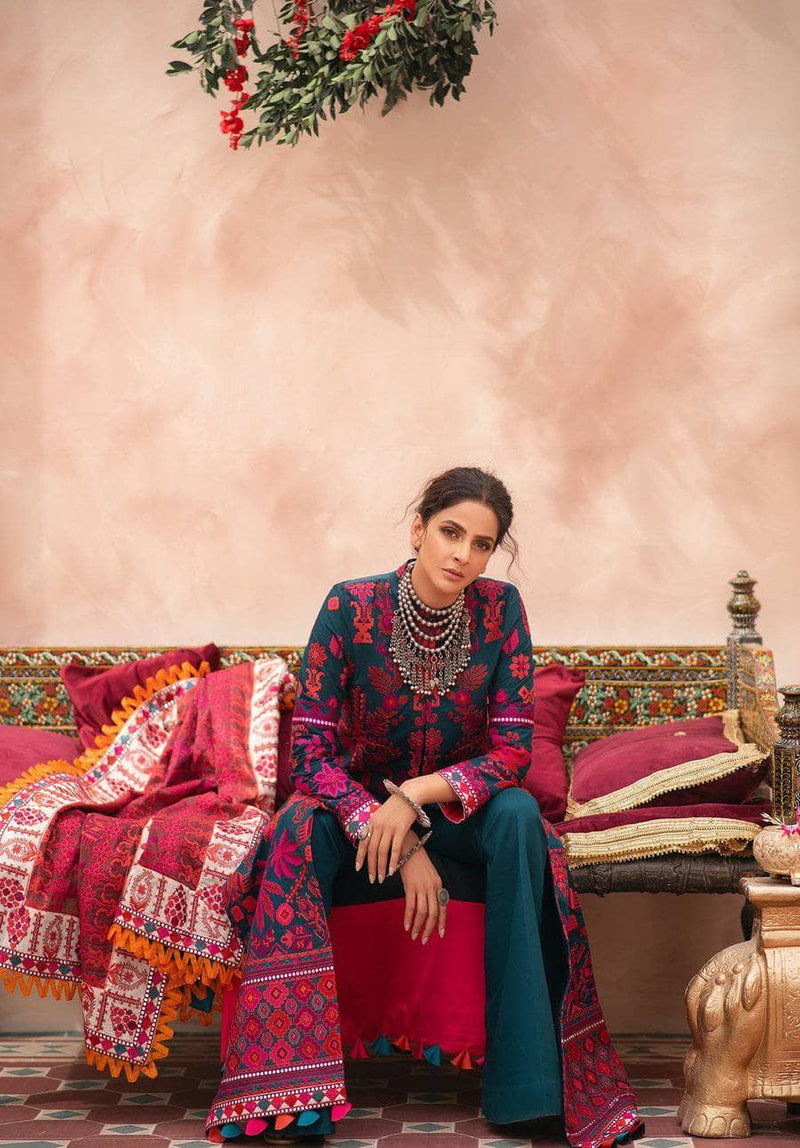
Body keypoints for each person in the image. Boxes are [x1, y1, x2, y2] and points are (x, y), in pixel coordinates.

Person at [207, 466, 641, 1147]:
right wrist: (395, 836)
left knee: (520, 818)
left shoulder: (501, 611)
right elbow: (312, 755)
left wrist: (414, 798)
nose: (462, 554)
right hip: (359, 816)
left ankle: (529, 1090)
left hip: (459, 811)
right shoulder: (350, 606)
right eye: (450, 532)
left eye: (481, 544)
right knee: (298, 827)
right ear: (418, 530)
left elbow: (511, 752)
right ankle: (289, 1091)